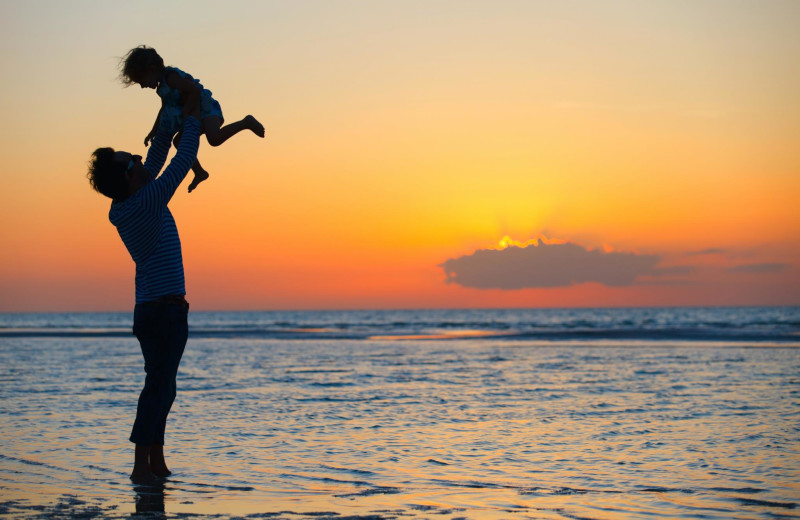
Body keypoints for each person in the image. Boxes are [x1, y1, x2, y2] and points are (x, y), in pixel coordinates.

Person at [87, 104, 202, 485]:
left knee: (162, 386)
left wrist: (170, 107)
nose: (139, 158)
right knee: (159, 387)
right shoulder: (147, 200)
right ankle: (141, 465)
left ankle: (156, 459)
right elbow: (181, 160)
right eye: (132, 159)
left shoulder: (125, 204)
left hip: (155, 310)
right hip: (164, 311)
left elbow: (154, 158)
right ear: (130, 175)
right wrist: (194, 118)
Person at [120, 45, 265, 193]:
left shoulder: (171, 77)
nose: (143, 86)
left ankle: (245, 122)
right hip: (195, 115)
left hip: (207, 109)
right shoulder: (162, 87)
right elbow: (164, 108)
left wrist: (185, 114)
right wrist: (153, 130)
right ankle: (199, 172)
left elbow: (194, 91)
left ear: (151, 70)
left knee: (214, 139)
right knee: (178, 142)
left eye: (141, 81)